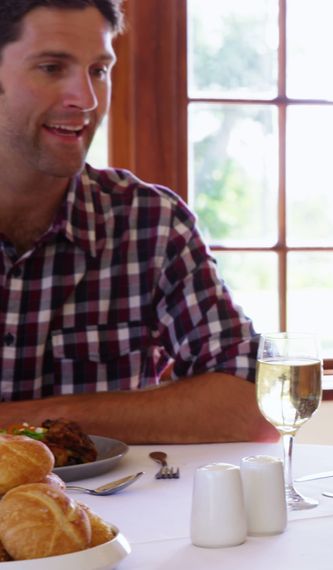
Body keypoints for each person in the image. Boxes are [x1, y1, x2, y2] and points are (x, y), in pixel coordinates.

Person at [0, 0, 277, 444]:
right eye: (52, 68)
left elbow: (252, 406)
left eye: (99, 70)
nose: (86, 99)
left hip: (110, 515)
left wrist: (31, 419)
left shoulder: (151, 224)